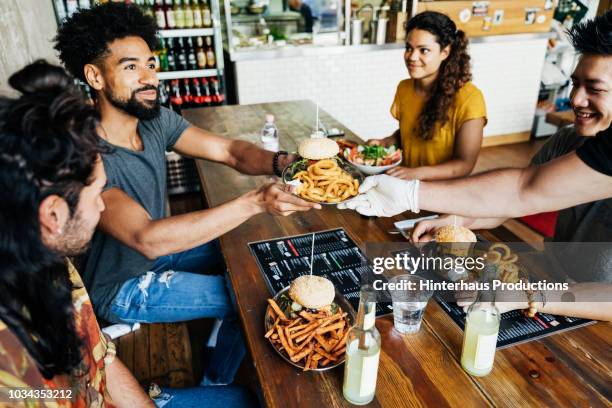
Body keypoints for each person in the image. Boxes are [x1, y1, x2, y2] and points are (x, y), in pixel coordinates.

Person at [54, 2, 319, 387]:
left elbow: (230, 151)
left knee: (258, 250)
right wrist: (255, 201)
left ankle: (218, 334)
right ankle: (216, 381)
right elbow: (146, 238)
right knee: (252, 293)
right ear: (95, 76)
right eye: (131, 67)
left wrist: (287, 163)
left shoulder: (155, 119)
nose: (149, 78)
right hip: (123, 284)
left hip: (163, 249)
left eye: (151, 64)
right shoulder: (87, 153)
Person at [0, 61, 256, 408]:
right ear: (53, 215)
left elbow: (100, 357)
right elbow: (147, 237)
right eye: (97, 196)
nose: (102, 209)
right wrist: (256, 202)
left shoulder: (56, 269)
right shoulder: (13, 381)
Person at [340, 11, 612, 321]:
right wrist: (454, 220)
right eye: (575, 84)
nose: (576, 99)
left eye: (596, 88)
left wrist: (529, 295)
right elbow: (516, 196)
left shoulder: (469, 99)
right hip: (549, 279)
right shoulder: (568, 141)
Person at [369, 11, 487, 181]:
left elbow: (464, 164)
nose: (412, 57)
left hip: (444, 193)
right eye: (409, 48)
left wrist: (417, 173)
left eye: (423, 50)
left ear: (445, 52)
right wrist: (387, 142)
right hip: (405, 185)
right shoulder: (404, 88)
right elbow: (409, 133)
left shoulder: (470, 98)